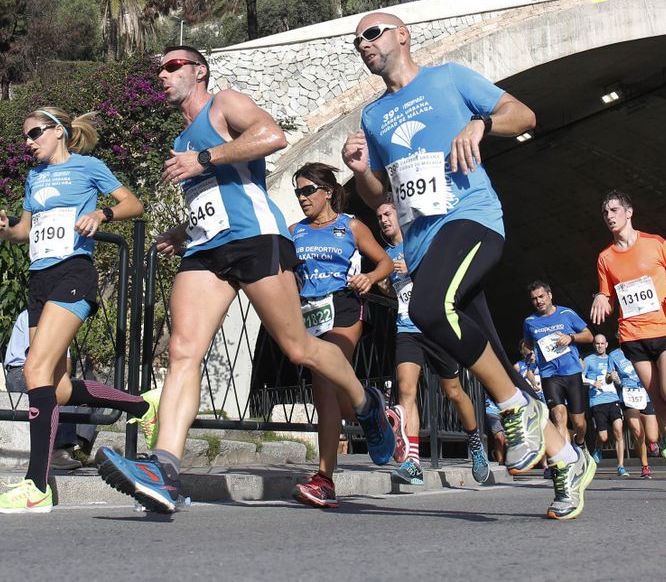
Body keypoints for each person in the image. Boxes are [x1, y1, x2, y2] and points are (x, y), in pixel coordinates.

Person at [97, 47, 404, 513]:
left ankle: (369, 407)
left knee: (299, 348)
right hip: (206, 249)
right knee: (184, 351)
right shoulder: (181, 142)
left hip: (256, 239)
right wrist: (184, 230)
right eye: (158, 68)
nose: (162, 73)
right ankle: (165, 471)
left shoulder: (224, 104)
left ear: (199, 71)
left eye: (173, 65)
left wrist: (206, 156)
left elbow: (272, 136)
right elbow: (215, 195)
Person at [342, 12, 594, 520]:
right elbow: (380, 196)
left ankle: (513, 408)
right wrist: (360, 172)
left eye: (371, 33)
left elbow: (523, 115)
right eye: (356, 41)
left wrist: (480, 123)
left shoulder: (449, 78)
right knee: (493, 359)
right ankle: (568, 460)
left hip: (472, 220)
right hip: (425, 245)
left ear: (402, 35)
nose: (362, 44)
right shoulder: (372, 117)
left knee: (432, 308)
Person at [0, 107, 149, 513]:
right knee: (53, 386)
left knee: (33, 370)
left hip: (73, 272)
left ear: (58, 131)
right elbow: (25, 230)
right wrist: (6, 231)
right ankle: (142, 406)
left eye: (35, 133)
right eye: (25, 137)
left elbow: (134, 204)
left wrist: (100, 214)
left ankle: (36, 485)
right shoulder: (34, 177)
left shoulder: (88, 166)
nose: (29, 142)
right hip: (38, 279)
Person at [588, 191, 666, 495]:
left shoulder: (654, 243)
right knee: (657, 401)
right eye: (605, 212)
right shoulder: (605, 258)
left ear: (629, 212)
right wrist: (602, 297)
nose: (609, 216)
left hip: (663, 329)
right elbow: (606, 291)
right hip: (632, 335)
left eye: (614, 209)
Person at [288, 161, 395, 506]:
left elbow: (385, 262)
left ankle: (324, 479)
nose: (302, 198)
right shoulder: (294, 231)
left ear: (328, 192)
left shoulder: (350, 226)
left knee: (323, 385)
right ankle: (377, 408)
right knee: (338, 401)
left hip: (345, 306)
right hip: (309, 312)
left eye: (307, 191)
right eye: (298, 192)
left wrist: (370, 277)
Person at [380, 201, 492, 486]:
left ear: (400, 214)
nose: (383, 220)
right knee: (406, 390)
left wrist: (415, 268)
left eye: (388, 213)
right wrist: (386, 285)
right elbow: (398, 293)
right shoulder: (385, 257)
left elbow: (444, 277)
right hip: (406, 327)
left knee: (453, 391)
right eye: (379, 216)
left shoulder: (424, 242)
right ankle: (413, 462)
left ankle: (476, 445)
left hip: (433, 326)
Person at [2, 309, 94, 471]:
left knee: (90, 391)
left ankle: (78, 446)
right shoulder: (32, 315)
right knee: (57, 388)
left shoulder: (61, 320)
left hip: (48, 370)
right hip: (20, 371)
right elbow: (35, 360)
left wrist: (62, 374)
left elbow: (65, 365)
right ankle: (57, 450)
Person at [523, 281, 591, 449]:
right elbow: (527, 344)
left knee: (579, 423)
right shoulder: (530, 322)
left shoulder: (566, 313)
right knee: (559, 417)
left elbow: (589, 336)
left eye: (541, 296)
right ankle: (566, 461)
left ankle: (580, 441)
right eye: (534, 299)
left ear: (550, 295)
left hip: (572, 372)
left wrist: (571, 338)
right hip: (549, 375)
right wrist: (528, 353)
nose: (539, 301)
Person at [581, 333, 626, 476]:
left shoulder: (611, 359)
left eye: (602, 343)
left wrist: (615, 378)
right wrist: (592, 382)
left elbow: (614, 380)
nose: (600, 346)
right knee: (604, 437)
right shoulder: (588, 360)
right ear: (594, 345)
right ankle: (598, 447)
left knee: (618, 430)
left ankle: (620, 466)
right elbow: (580, 378)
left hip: (613, 399)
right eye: (597, 344)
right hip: (597, 401)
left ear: (606, 344)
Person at [608, 340, 654, 478]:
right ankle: (645, 465)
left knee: (652, 436)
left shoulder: (642, 347)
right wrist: (612, 377)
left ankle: (655, 443)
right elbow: (608, 376)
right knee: (638, 432)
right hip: (628, 394)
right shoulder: (614, 355)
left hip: (645, 393)